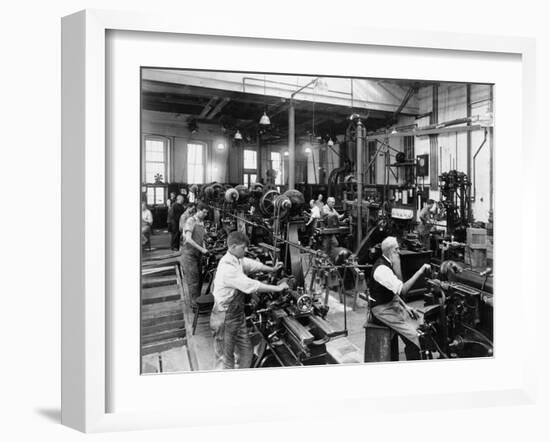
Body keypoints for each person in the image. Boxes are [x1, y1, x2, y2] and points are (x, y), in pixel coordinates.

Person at [210, 231, 289, 369]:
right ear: (233, 247)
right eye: (243, 248)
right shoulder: (227, 267)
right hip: (224, 318)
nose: (246, 250)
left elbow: (251, 265)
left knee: (246, 352)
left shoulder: (237, 259)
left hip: (237, 316)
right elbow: (251, 285)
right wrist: (277, 288)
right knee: (225, 360)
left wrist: (272, 269)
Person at [370, 236, 431, 360]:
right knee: (413, 335)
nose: (399, 252)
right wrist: (420, 271)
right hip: (381, 310)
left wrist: (406, 306)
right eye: (397, 249)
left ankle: (412, 351)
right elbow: (402, 290)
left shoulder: (388, 263)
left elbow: (394, 293)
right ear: (391, 251)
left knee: (418, 322)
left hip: (391, 303)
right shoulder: (382, 269)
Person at [180, 202, 209, 304]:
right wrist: (202, 250)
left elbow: (202, 239)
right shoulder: (191, 220)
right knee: (193, 281)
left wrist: (204, 249)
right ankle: (194, 304)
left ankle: (197, 302)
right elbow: (188, 239)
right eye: (204, 212)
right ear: (198, 210)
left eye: (206, 213)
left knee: (199, 279)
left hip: (198, 254)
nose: (205, 215)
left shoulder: (201, 222)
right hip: (189, 254)